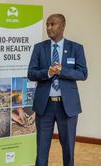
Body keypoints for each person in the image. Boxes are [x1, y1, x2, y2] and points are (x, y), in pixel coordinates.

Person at [27, 14, 88, 166]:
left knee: (68, 149)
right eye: (47, 24)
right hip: (44, 106)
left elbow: (83, 74)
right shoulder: (39, 48)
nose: (49, 28)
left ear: (63, 25)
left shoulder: (76, 48)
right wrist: (48, 73)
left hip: (67, 107)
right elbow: (31, 73)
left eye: (52, 24)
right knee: (42, 149)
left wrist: (62, 71)